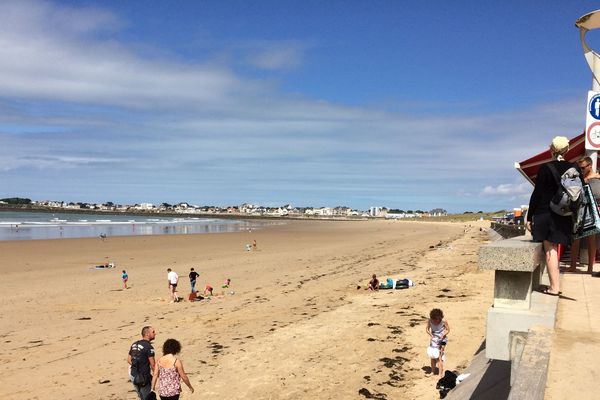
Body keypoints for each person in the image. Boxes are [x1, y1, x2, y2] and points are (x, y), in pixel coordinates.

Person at [527, 136, 581, 296]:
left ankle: (554, 287)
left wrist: (529, 217)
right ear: (568, 149)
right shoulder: (574, 168)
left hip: (546, 213)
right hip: (565, 213)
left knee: (550, 248)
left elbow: (537, 194)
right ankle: (554, 283)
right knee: (555, 248)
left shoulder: (546, 167)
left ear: (551, 149)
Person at [569, 156, 600, 274]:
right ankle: (572, 265)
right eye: (579, 167)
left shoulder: (596, 176)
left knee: (591, 239)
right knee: (576, 238)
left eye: (582, 167)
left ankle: (590, 268)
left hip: (592, 210)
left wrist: (596, 176)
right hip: (579, 210)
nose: (581, 170)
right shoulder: (580, 177)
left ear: (590, 166)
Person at [128, 326, 156, 400]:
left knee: (142, 397)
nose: (155, 333)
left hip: (133, 375)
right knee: (148, 397)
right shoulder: (149, 347)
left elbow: (129, 360)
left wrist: (137, 367)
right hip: (143, 377)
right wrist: (157, 376)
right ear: (147, 334)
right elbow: (153, 365)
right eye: (153, 332)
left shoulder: (134, 344)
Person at [426, 308, 449, 378]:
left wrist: (443, 335)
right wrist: (431, 335)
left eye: (438, 319)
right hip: (434, 340)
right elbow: (427, 329)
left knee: (439, 357)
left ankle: (440, 374)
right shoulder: (430, 321)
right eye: (435, 319)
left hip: (442, 340)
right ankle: (433, 371)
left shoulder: (444, 321)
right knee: (432, 356)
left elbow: (448, 330)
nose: (437, 321)